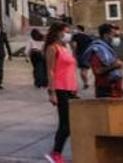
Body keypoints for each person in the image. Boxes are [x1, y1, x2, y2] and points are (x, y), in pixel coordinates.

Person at [44, 22, 78, 163]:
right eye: (65, 31)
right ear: (57, 32)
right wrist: (52, 92)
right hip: (60, 88)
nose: (67, 34)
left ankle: (56, 151)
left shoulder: (67, 47)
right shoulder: (53, 48)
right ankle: (56, 152)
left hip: (70, 88)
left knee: (71, 123)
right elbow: (50, 70)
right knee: (65, 124)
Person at [83, 23, 123, 98]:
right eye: (114, 35)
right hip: (105, 90)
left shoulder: (108, 49)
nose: (116, 38)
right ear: (106, 35)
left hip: (115, 89)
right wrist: (114, 66)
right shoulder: (98, 50)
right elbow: (97, 71)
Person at [71, 25, 94, 90]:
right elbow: (91, 45)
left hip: (80, 54)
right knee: (85, 69)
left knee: (82, 70)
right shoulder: (88, 37)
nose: (74, 30)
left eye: (75, 29)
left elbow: (74, 45)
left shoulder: (75, 36)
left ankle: (86, 82)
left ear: (79, 29)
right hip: (87, 54)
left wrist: (73, 54)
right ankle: (86, 82)